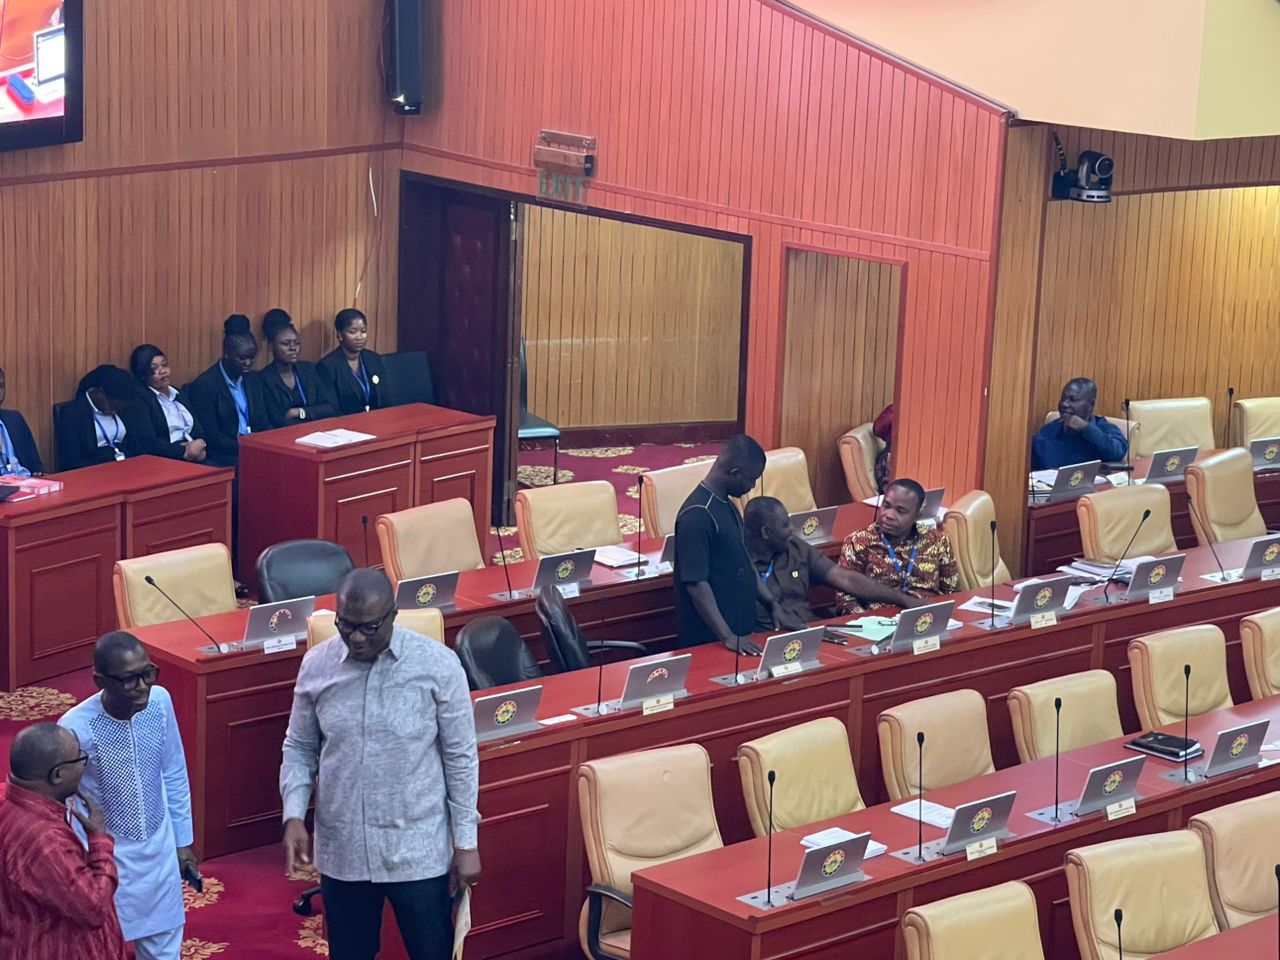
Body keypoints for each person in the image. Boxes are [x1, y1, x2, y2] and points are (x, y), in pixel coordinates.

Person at [280, 569, 480, 960]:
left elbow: (460, 757)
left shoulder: (438, 665)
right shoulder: (317, 665)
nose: (356, 638)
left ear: (393, 615)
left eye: (369, 628)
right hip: (344, 849)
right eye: (346, 625)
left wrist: (466, 842)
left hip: (417, 849)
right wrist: (293, 814)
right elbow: (300, 746)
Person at [60, 632, 196, 960]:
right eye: (130, 679)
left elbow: (173, 769)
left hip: (159, 848)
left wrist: (182, 841)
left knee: (165, 950)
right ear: (100, 681)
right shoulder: (75, 726)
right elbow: (65, 802)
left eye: (148, 673)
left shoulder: (160, 702)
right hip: (106, 857)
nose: (142, 686)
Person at [0, 723, 131, 960]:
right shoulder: (44, 841)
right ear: (58, 775)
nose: (83, 765)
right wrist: (99, 841)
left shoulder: (5, 797)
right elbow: (93, 908)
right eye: (79, 758)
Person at [744, 496, 925, 630]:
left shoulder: (795, 547)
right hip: (764, 639)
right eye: (785, 525)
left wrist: (902, 599)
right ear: (766, 532)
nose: (792, 529)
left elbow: (844, 578)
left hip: (809, 631)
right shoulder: (738, 562)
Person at [673, 435, 770, 653]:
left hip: (740, 634)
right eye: (751, 479)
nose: (752, 486)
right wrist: (727, 636)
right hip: (710, 641)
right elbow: (696, 584)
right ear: (734, 473)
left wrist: (772, 603)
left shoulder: (727, 504)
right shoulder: (697, 515)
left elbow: (745, 561)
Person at [837, 477, 960, 614]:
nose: (889, 515)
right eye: (886, 506)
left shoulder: (937, 540)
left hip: (926, 616)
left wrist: (939, 615)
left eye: (900, 511)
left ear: (917, 516)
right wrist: (866, 620)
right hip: (878, 620)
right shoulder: (858, 541)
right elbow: (845, 599)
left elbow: (951, 592)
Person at [186, 314, 269, 467]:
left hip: (254, 447)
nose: (248, 363)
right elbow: (213, 435)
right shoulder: (206, 385)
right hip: (225, 453)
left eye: (252, 358)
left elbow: (263, 421)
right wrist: (246, 447)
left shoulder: (254, 380)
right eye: (242, 358)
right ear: (227, 353)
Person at [57, 365, 150, 470]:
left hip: (127, 469)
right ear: (100, 394)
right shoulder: (73, 414)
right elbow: (71, 462)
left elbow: (137, 446)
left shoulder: (124, 407)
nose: (116, 411)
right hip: (93, 473)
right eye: (114, 406)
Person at [258, 308, 339, 428]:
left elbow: (331, 408)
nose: (293, 348)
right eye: (285, 344)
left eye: (296, 343)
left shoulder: (309, 370)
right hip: (284, 436)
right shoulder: (263, 379)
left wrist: (300, 412)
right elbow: (275, 420)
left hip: (317, 432)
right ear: (271, 346)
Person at [128, 344, 207, 463]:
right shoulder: (140, 401)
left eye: (164, 365)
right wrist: (184, 451)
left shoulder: (179, 394)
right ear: (143, 375)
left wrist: (201, 445)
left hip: (194, 453)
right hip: (166, 459)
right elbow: (149, 443)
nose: (163, 371)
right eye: (154, 369)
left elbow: (199, 429)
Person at [1031, 377, 1128, 470]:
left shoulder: (1103, 427)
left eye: (1072, 399)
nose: (1064, 404)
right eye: (1063, 398)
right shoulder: (1048, 431)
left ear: (1091, 405)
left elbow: (1118, 453)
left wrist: (1085, 428)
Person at [318, 308, 391, 416]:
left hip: (377, 419)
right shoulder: (327, 366)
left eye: (363, 331)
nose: (359, 337)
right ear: (340, 335)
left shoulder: (374, 359)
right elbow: (332, 408)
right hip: (346, 423)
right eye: (352, 332)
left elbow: (385, 399)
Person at [0, 366, 45, 475]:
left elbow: (36, 464)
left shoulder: (15, 419)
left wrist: (40, 475)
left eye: (1, 386)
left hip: (27, 479)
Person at [872, 403, 893, 494]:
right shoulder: (896, 408)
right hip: (892, 461)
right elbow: (878, 429)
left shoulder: (896, 408)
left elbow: (878, 430)